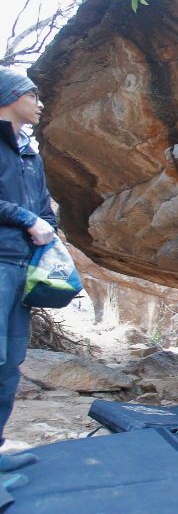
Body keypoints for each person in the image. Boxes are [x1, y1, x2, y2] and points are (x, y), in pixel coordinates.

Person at [0, 68, 56, 488]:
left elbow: (43, 209)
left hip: (22, 267)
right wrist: (26, 219)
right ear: (9, 97)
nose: (39, 104)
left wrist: (52, 234)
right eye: (32, 95)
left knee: (10, 362)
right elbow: (25, 211)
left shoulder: (29, 154)